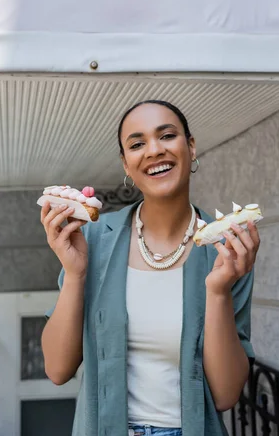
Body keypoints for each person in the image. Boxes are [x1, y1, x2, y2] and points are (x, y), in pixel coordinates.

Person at [41, 100, 260, 436]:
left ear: (190, 147)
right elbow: (57, 370)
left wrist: (217, 291)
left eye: (167, 136)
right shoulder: (95, 237)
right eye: (137, 144)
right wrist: (75, 273)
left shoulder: (226, 248)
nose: (154, 150)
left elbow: (227, 394)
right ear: (126, 165)